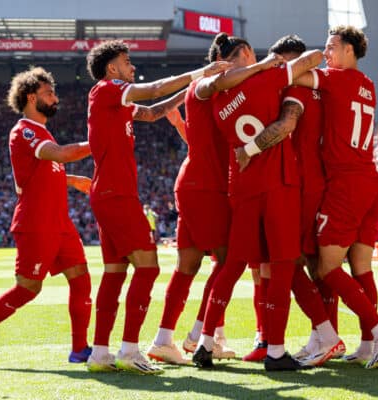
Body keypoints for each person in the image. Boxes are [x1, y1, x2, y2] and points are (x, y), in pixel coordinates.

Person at [84, 40, 228, 374]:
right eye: (126, 61)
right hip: (117, 194)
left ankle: (100, 353)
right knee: (148, 269)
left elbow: (152, 111)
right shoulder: (107, 89)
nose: (131, 67)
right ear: (112, 68)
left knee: (115, 272)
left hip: (108, 193)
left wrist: (189, 89)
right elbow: (152, 90)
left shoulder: (116, 103)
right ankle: (130, 350)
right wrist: (201, 72)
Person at [145, 36, 285, 365]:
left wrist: (178, 122)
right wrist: (264, 67)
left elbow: (200, 139)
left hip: (194, 183)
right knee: (227, 262)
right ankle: (200, 336)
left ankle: (166, 338)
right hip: (208, 188)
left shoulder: (214, 92)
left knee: (188, 267)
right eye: (246, 58)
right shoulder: (213, 87)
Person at [191, 33, 324, 371]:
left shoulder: (217, 98)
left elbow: (206, 87)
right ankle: (275, 351)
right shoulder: (267, 78)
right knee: (281, 264)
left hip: (242, 185)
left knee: (233, 263)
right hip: (278, 182)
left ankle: (205, 341)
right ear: (247, 52)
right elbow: (315, 56)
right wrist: (277, 62)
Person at [0, 67, 93, 367]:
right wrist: (100, 143)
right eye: (49, 93)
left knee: (81, 279)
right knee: (28, 289)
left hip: (59, 223)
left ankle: (80, 349)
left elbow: (45, 169)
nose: (55, 98)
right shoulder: (26, 131)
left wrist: (71, 180)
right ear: (31, 97)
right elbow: (58, 154)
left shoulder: (43, 132)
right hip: (36, 223)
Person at [291, 25, 378, 369]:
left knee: (325, 266)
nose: (326, 53)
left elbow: (296, 77)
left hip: (346, 185)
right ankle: (369, 343)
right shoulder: (368, 85)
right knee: (362, 267)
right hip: (370, 180)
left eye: (332, 47)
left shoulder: (336, 79)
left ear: (350, 50)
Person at [238, 35, 345, 367]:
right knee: (304, 263)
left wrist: (249, 149)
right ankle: (321, 336)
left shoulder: (295, 91)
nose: (279, 68)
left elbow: (286, 126)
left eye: (283, 62)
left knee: (289, 260)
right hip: (310, 181)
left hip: (298, 184)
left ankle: (327, 335)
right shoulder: (319, 89)